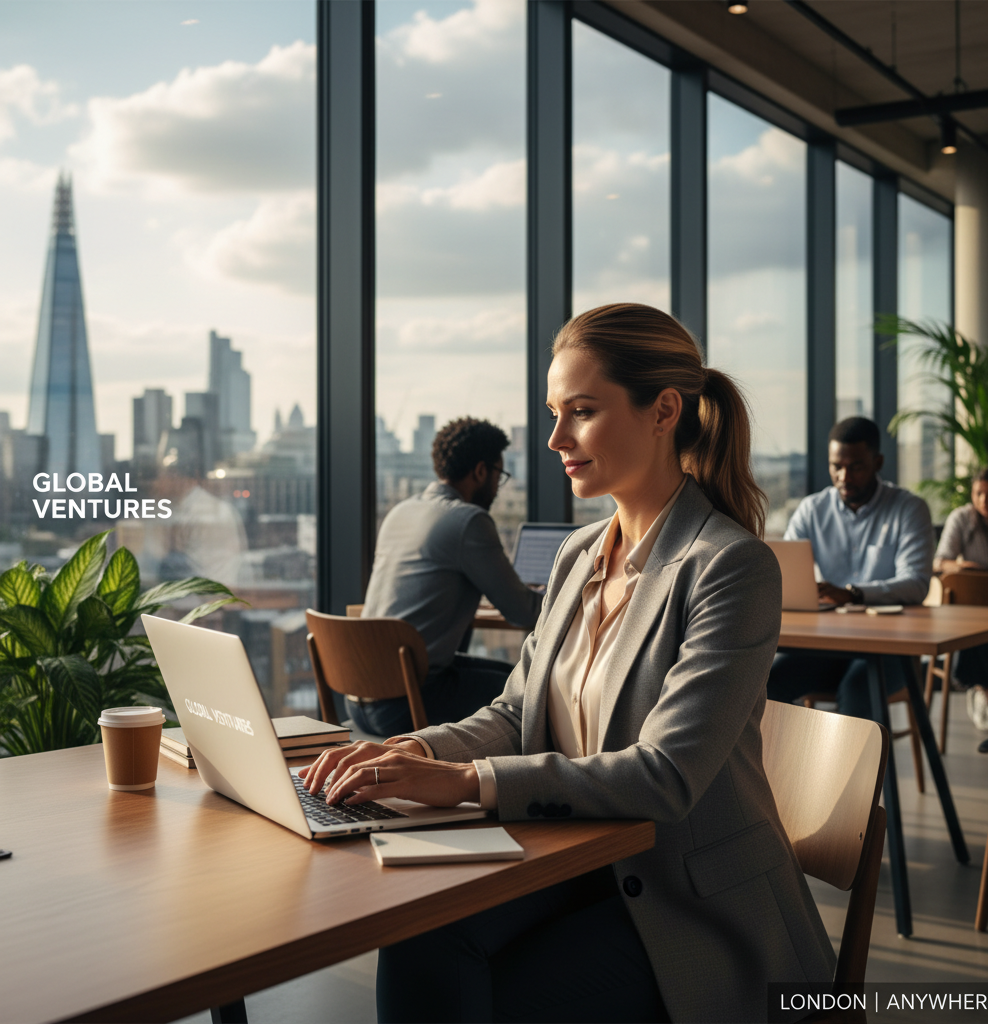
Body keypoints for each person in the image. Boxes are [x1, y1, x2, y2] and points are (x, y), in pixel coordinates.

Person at [301, 304, 836, 1023]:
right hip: (582, 860)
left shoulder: (729, 567)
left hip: (686, 898)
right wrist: (414, 750)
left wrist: (463, 781)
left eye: (581, 412)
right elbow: (517, 710)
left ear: (663, 411)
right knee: (419, 938)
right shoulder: (578, 555)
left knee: (503, 995)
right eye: (554, 413)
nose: (554, 439)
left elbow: (667, 775)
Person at [353, 417, 543, 736]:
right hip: (409, 703)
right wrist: (577, 592)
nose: (497, 487)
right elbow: (523, 611)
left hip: (359, 700)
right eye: (500, 475)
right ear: (481, 471)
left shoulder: (401, 511)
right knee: (532, 690)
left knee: (511, 675)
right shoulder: (468, 520)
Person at [767, 416, 934, 719]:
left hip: (891, 648)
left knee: (859, 690)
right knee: (766, 684)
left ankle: (863, 769)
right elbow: (785, 573)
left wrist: (854, 594)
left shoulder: (909, 509)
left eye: (856, 466)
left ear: (878, 462)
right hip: (828, 646)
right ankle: (785, 766)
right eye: (836, 466)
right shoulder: (812, 510)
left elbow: (917, 583)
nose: (844, 476)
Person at [934, 466, 988, 735]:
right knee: (978, 628)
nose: (984, 500)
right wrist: (961, 567)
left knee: (984, 631)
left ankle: (981, 692)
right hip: (970, 616)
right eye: (978, 494)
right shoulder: (961, 519)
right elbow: (939, 562)